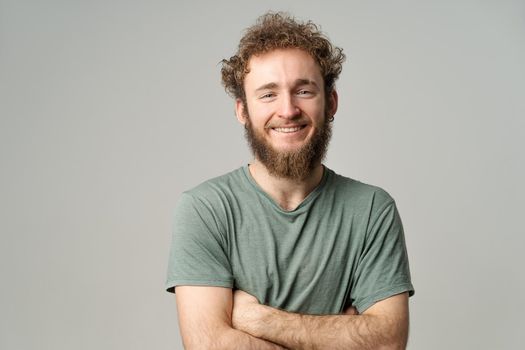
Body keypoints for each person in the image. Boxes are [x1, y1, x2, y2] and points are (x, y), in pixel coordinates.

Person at [166, 12, 414, 349]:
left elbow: (387, 343)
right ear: (242, 111)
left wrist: (259, 320)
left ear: (331, 103)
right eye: (268, 94)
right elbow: (209, 345)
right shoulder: (205, 209)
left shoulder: (371, 209)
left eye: (304, 91)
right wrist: (341, 336)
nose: (288, 110)